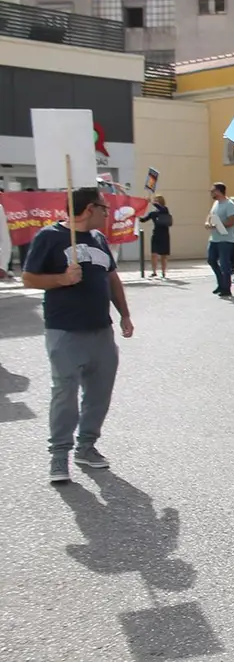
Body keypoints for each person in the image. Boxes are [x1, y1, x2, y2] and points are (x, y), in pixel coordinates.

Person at [22, 187, 134, 483]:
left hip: (101, 331)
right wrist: (62, 279)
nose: (108, 214)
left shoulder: (99, 239)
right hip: (64, 332)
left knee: (99, 395)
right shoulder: (49, 237)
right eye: (104, 208)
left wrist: (124, 314)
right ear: (88, 209)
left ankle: (87, 447)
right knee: (65, 394)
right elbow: (29, 278)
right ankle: (59, 456)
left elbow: (111, 277)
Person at [204, 182, 234, 298]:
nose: (211, 193)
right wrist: (208, 223)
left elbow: (232, 221)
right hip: (214, 238)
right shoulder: (215, 204)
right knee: (211, 260)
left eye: (213, 191)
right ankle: (221, 283)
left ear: (219, 191)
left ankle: (226, 288)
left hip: (225, 239)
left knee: (224, 264)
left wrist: (217, 225)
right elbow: (210, 216)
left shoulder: (229, 204)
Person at [138, 194, 172, 278]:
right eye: (155, 200)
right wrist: (136, 216)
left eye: (157, 200)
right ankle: (154, 272)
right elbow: (143, 220)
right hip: (156, 234)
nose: (155, 202)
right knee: (154, 254)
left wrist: (152, 202)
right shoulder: (153, 213)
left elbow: (161, 208)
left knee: (163, 255)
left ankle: (163, 272)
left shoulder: (165, 209)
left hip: (164, 235)